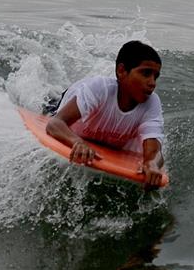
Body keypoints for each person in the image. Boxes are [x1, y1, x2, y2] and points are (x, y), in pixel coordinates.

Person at [45, 41, 166, 189]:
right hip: (60, 106)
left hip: (100, 138)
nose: (152, 83)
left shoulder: (152, 103)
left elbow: (154, 151)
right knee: (47, 108)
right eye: (146, 73)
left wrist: (152, 164)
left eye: (156, 76)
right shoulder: (100, 89)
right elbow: (54, 123)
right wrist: (78, 143)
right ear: (122, 71)